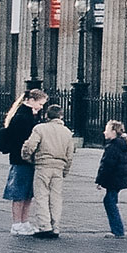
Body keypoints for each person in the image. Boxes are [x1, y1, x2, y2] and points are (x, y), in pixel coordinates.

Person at [20, 103, 76, 240]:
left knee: (42, 196)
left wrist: (27, 158)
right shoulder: (67, 132)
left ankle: (45, 227)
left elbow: (30, 146)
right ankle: (55, 226)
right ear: (61, 116)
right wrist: (65, 171)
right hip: (59, 167)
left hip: (43, 165)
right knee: (56, 198)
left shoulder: (40, 129)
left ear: (47, 116)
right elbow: (70, 155)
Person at [0, 88, 45, 235]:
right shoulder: (23, 118)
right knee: (20, 193)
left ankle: (24, 222)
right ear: (31, 101)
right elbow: (24, 140)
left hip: (23, 160)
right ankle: (17, 223)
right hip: (22, 160)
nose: (41, 107)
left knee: (26, 193)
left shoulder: (26, 115)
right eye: (40, 103)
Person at [95, 119, 127, 237]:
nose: (104, 132)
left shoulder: (113, 146)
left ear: (113, 131)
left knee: (109, 202)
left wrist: (100, 181)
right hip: (119, 178)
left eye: (106, 130)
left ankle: (117, 230)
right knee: (111, 200)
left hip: (113, 179)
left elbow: (107, 165)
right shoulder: (123, 144)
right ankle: (117, 230)